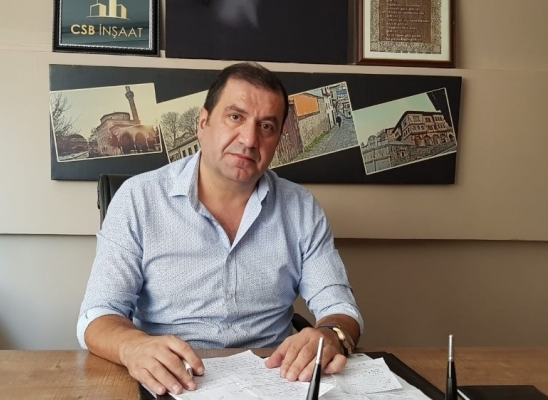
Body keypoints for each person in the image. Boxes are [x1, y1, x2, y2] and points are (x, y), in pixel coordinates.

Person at [77, 62, 363, 396]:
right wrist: (132, 347)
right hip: (170, 380)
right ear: (203, 122)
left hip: (274, 379)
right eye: (235, 117)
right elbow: (98, 315)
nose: (249, 139)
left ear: (276, 139)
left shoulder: (301, 208)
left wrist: (332, 334)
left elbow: (339, 306)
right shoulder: (139, 198)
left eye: (266, 126)